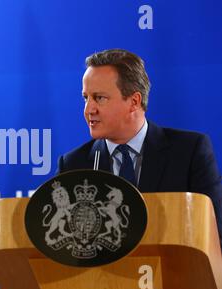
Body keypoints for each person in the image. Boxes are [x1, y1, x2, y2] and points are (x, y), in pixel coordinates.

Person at [57, 48, 222, 246]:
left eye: (99, 98)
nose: (88, 110)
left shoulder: (189, 152)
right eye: (86, 98)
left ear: (134, 101)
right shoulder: (73, 165)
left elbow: (214, 233)